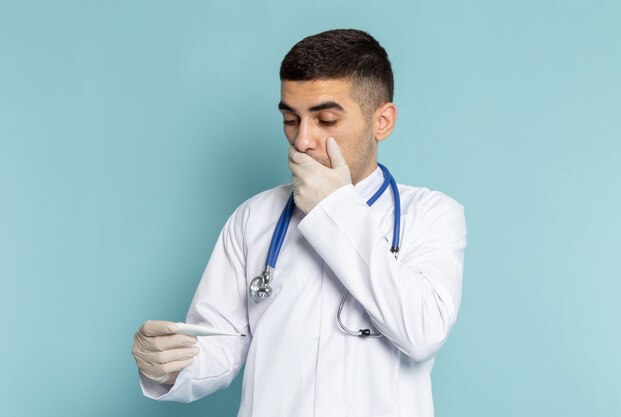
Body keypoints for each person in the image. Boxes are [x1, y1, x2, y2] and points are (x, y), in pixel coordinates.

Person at [132, 28, 467, 417]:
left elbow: (422, 332)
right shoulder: (254, 218)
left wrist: (334, 209)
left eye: (325, 119)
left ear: (382, 122)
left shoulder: (431, 214)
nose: (302, 139)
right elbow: (220, 344)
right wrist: (170, 364)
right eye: (291, 119)